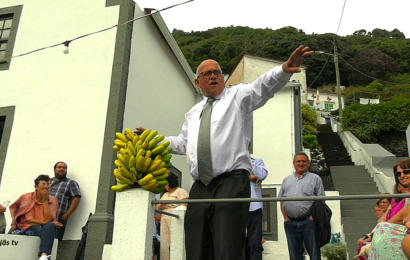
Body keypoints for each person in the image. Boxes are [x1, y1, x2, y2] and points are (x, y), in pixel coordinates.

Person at [136, 45, 313, 260]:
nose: (213, 76)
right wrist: (153, 140)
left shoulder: (237, 96)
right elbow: (183, 143)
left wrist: (285, 68)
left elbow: (262, 86)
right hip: (201, 184)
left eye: (217, 72)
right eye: (206, 74)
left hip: (231, 180)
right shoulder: (193, 113)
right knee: (196, 239)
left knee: (226, 240)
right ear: (197, 82)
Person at [278, 152, 325, 260]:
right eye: (298, 161)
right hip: (290, 223)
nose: (301, 163)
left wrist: (313, 217)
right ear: (294, 164)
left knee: (314, 254)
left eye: (304, 161)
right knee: (294, 255)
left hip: (309, 222)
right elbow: (281, 199)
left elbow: (321, 199)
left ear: (308, 164)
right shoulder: (287, 180)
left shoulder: (315, 178)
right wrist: (285, 217)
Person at [9, 174, 63, 260]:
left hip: (44, 226)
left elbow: (49, 219)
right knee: (44, 230)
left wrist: (45, 201)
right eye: (43, 184)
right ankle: (45, 254)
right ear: (36, 187)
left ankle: (44, 255)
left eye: (48, 184)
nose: (46, 186)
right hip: (28, 225)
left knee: (50, 226)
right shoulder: (26, 197)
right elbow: (29, 220)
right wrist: (50, 223)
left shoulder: (53, 200)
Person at [367, 158, 410, 260]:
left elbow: (402, 217)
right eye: (398, 174)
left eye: (406, 171)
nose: (402, 176)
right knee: (382, 228)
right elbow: (402, 216)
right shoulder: (397, 200)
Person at [154, 174, 188, 260]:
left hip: (175, 218)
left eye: (166, 184)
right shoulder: (165, 195)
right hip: (164, 218)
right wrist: (162, 206)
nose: (165, 186)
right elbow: (157, 207)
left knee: (175, 241)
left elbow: (184, 205)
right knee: (164, 242)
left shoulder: (180, 191)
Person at [49, 161, 81, 242]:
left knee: (55, 243)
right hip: (43, 218)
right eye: (59, 167)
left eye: (64, 168)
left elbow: (76, 198)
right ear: (55, 169)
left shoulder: (71, 183)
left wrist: (67, 215)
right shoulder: (47, 182)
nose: (61, 169)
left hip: (58, 219)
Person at [246, 156, 268, 260]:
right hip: (235, 208)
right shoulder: (232, 160)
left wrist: (248, 160)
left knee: (255, 242)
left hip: (254, 207)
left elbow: (262, 175)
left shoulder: (257, 161)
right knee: (235, 241)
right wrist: (250, 177)